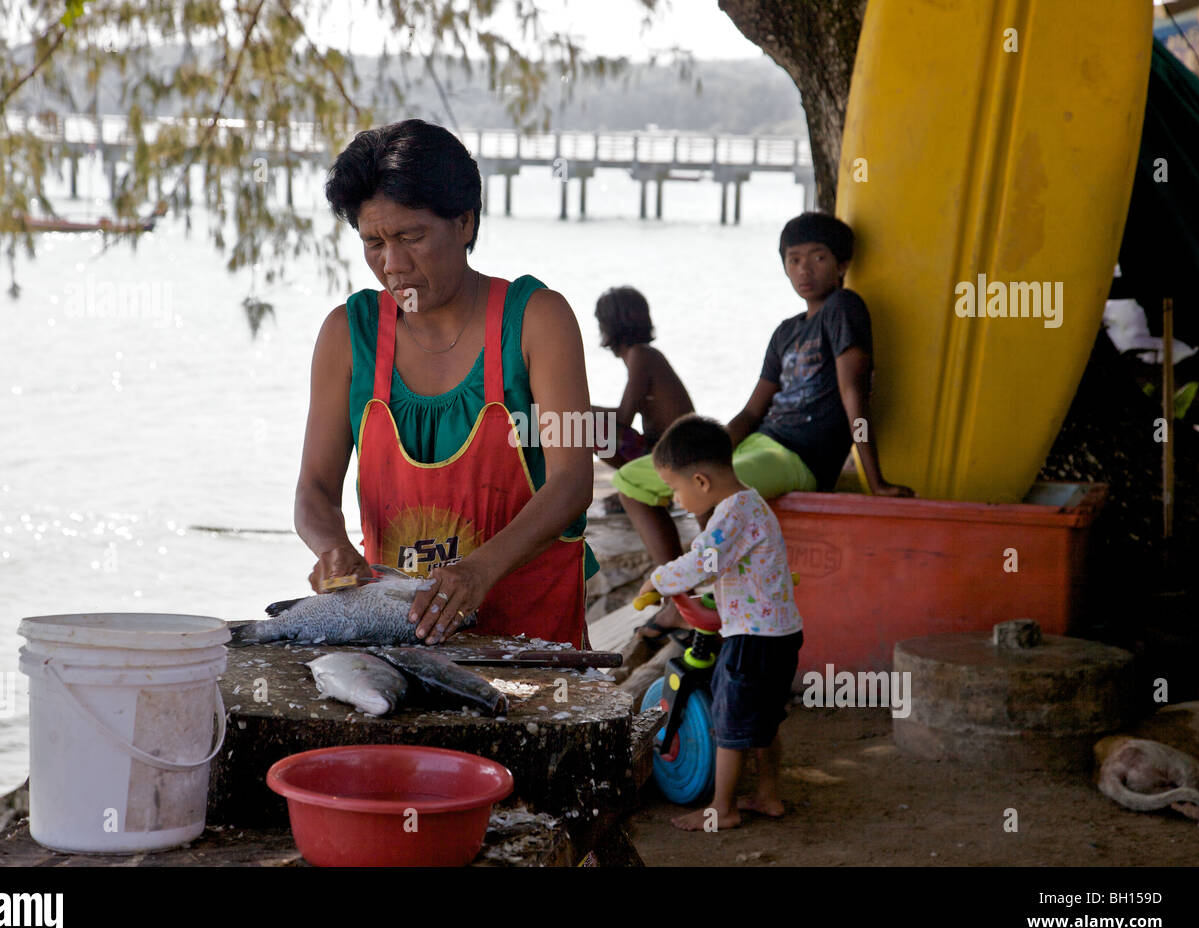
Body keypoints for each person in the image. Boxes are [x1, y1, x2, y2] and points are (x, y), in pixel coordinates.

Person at [295, 118, 598, 649]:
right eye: (374, 243)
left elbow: (572, 481)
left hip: (530, 642)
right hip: (401, 642)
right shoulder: (347, 333)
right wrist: (332, 547)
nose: (393, 265)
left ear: (464, 222)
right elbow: (314, 491)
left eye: (411, 237)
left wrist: (479, 571)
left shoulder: (539, 319)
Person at [617, 211, 913, 639]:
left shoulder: (845, 308)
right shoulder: (785, 332)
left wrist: (875, 478)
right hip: (762, 440)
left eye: (818, 258)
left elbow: (855, 395)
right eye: (793, 260)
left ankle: (695, 599)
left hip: (801, 455)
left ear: (842, 265)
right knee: (631, 479)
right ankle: (678, 597)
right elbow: (752, 412)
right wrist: (712, 446)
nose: (804, 270)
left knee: (711, 485)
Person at [635, 415, 803, 831]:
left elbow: (700, 562)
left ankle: (721, 809)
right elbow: (724, 567)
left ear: (701, 481)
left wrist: (657, 579)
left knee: (730, 721)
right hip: (778, 634)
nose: (676, 500)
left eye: (676, 489)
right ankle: (767, 795)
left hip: (752, 639)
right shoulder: (751, 503)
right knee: (764, 720)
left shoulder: (731, 514)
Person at [589, 286, 694, 468]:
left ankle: (638, 485)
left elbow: (623, 417)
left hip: (674, 455)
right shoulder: (642, 354)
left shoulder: (640, 354)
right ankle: (634, 483)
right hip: (667, 448)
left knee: (584, 427)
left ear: (611, 325)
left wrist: (577, 408)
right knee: (581, 422)